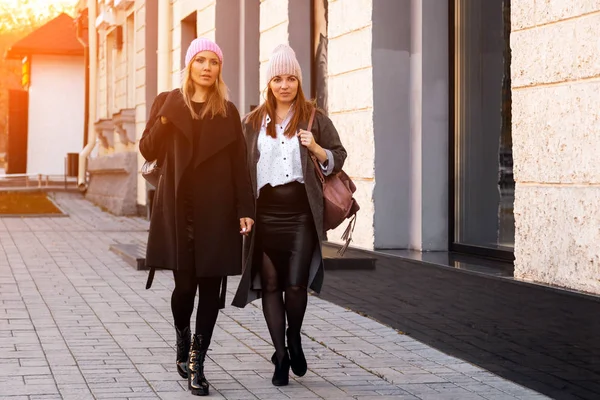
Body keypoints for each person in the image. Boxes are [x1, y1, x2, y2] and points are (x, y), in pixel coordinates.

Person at [139, 37, 254, 396]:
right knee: (184, 287)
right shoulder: (169, 102)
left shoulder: (228, 111)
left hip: (216, 212)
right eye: (200, 60)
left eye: (214, 62)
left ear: (219, 69)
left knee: (209, 290)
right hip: (178, 210)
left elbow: (240, 165)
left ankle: (197, 361)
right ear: (189, 65)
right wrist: (163, 118)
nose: (207, 67)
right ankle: (182, 337)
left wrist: (245, 210)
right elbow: (147, 148)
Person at [232, 44, 347, 386]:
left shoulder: (315, 118)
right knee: (270, 284)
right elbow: (240, 173)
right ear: (269, 83)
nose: (285, 85)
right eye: (278, 79)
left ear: (299, 81)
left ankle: (293, 337)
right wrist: (243, 213)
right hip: (264, 214)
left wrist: (316, 147)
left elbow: (338, 156)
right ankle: (280, 355)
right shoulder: (252, 123)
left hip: (300, 215)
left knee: (295, 285)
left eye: (291, 78)